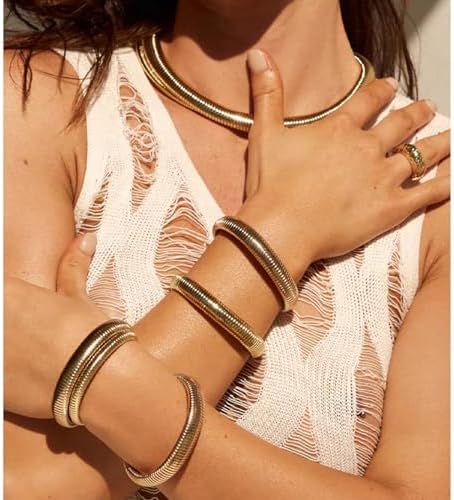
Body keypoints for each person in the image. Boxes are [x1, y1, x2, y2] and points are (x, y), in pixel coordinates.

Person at [4, 1, 450, 499]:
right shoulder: (31, 99)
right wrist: (283, 229)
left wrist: (106, 381)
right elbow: (26, 484)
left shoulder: (439, 190)